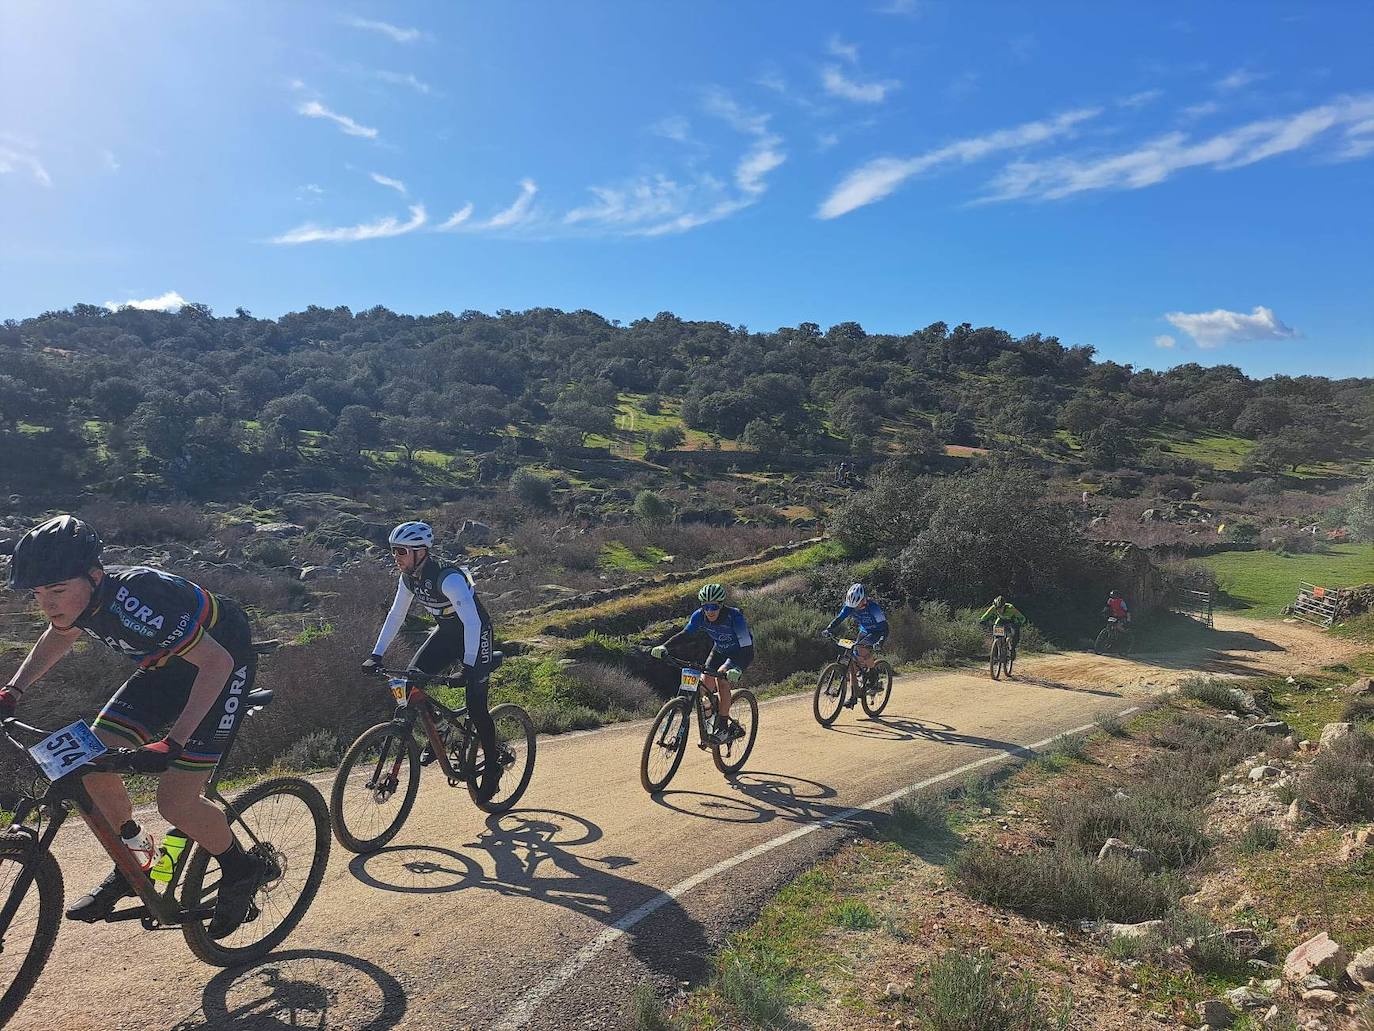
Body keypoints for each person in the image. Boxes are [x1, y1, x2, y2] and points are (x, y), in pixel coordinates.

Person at [1, 515, 265, 937]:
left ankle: (242, 868)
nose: (49, 604)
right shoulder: (82, 598)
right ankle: (135, 862)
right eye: (38, 594)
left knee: (176, 801)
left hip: (221, 665)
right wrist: (13, 691)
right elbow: (60, 634)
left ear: (95, 575)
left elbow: (215, 663)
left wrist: (173, 742)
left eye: (57, 591)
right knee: (92, 764)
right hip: (166, 669)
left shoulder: (140, 599)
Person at [363, 520, 502, 800]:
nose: (396, 558)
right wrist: (376, 654)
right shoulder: (409, 578)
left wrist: (469, 666)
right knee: (412, 681)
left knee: (476, 708)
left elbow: (473, 623)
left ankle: (493, 767)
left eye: (401, 551)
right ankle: (440, 733)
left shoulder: (447, 578)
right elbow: (396, 615)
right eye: (393, 551)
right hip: (448, 633)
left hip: (476, 634)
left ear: (420, 552)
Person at [651, 583, 752, 744]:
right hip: (719, 651)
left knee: (721, 679)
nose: (710, 611)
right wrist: (665, 646)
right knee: (705, 685)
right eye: (706, 606)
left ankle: (724, 728)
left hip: (739, 653)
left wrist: (738, 668)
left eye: (714, 606)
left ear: (721, 604)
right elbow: (685, 634)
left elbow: (746, 648)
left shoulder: (735, 617)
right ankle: (711, 717)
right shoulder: (699, 615)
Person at [822, 583, 888, 707]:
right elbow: (839, 618)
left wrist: (880, 642)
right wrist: (829, 629)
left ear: (864, 599)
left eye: (858, 605)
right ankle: (854, 696)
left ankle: (873, 676)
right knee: (852, 664)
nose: (856, 608)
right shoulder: (850, 606)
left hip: (877, 632)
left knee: (861, 649)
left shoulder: (874, 608)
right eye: (854, 606)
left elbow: (885, 628)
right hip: (864, 631)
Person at [978, 595, 1027, 660]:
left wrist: (1020, 623)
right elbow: (986, 615)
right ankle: (995, 653)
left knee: (1015, 635)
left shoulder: (1010, 608)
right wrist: (982, 620)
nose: (999, 610)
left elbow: (1022, 617)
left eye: (1000, 608)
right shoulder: (993, 607)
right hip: (1001, 621)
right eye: (997, 608)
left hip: (1012, 621)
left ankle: (1012, 648)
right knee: (996, 634)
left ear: (1004, 605)